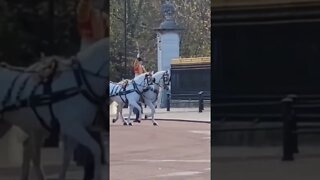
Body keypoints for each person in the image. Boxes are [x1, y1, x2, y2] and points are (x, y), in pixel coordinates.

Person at [132, 57, 147, 122]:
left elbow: (145, 73)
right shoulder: (137, 66)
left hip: (140, 81)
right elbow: (140, 74)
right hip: (137, 81)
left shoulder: (140, 66)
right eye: (140, 61)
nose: (141, 62)